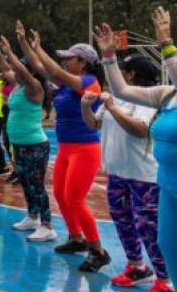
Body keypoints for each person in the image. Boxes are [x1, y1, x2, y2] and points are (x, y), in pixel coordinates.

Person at [17, 20, 111, 272]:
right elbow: (40, 68)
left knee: (75, 198)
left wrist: (39, 49)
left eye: (70, 58)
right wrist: (28, 45)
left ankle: (98, 250)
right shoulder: (68, 86)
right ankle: (76, 238)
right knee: (60, 194)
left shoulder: (90, 82)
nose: (65, 61)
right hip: (67, 149)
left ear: (83, 62)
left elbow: (56, 73)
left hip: (85, 149)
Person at [95, 15, 176, 292]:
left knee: (156, 235)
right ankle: (151, 275)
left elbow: (140, 129)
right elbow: (121, 89)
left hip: (148, 178)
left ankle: (164, 280)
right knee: (157, 237)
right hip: (161, 182)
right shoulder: (166, 94)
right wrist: (108, 57)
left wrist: (165, 41)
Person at [0, 35, 56, 242]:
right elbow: (6, 69)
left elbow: (19, 71)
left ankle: (47, 225)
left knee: (37, 185)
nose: (15, 72)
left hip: (35, 144)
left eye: (21, 69)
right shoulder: (18, 86)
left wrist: (11, 50)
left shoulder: (34, 87)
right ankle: (32, 216)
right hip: (19, 144)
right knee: (26, 183)